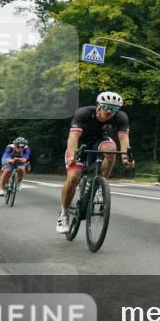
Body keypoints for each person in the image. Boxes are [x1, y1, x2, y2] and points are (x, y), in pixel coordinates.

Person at [57, 91, 135, 234]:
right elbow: (73, 137)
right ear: (99, 105)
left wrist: (125, 157)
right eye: (107, 107)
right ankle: (64, 213)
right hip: (80, 144)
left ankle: (101, 182)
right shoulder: (84, 113)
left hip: (99, 141)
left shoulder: (121, 117)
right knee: (74, 177)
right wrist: (72, 156)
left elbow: (124, 139)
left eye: (115, 109)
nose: (111, 112)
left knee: (111, 149)